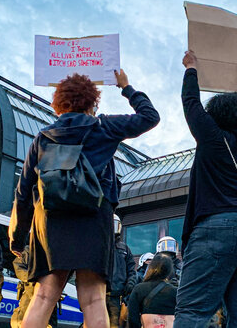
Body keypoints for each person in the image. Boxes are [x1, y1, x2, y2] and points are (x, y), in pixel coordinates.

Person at [9, 70, 160, 328]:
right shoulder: (103, 127)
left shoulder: (43, 137)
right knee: (92, 299)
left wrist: (17, 237)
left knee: (44, 295)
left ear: (58, 103)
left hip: (51, 223)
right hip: (93, 220)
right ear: (91, 102)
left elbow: (23, 192)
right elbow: (150, 117)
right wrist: (126, 87)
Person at [174, 50, 237, 327]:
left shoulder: (211, 137)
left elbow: (191, 102)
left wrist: (191, 68)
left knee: (193, 312)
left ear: (214, 116)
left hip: (217, 227)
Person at [11, 246, 59, 328]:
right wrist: (34, 278)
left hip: (49, 294)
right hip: (29, 292)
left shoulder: (56, 252)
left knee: (48, 322)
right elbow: (19, 267)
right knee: (22, 321)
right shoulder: (29, 250)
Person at [128, 253, 177, 328]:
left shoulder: (139, 289)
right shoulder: (175, 291)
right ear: (169, 270)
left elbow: (132, 317)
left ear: (151, 268)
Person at [108, 215, 137, 328]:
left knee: (115, 324)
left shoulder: (124, 248)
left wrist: (130, 284)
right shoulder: (100, 245)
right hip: (99, 292)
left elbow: (131, 269)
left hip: (117, 294)